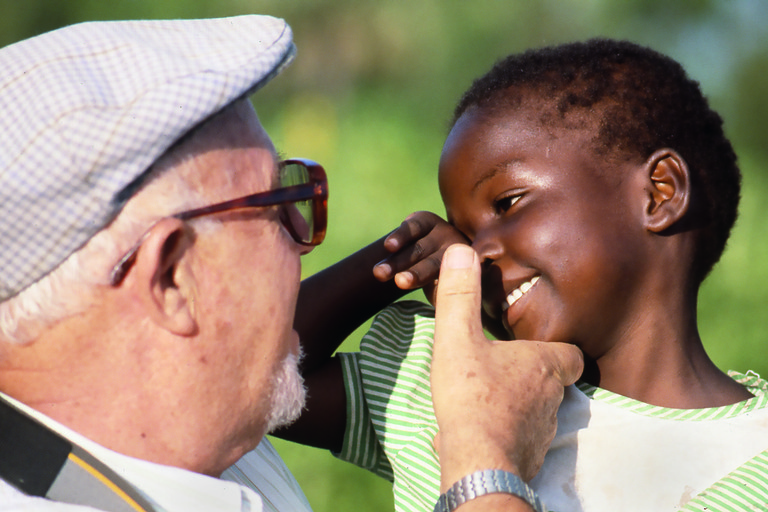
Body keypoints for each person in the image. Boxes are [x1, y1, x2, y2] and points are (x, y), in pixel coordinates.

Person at [0, 15, 582, 512]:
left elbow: (267, 351)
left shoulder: (168, 436)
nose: (305, 243)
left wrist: (389, 264)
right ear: (173, 278)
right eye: (283, 207)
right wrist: (485, 464)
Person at [278, 38, 768, 512]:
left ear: (660, 194)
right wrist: (391, 262)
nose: (478, 253)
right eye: (465, 235)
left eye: (507, 203)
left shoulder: (753, 467)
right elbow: (253, 374)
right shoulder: (450, 382)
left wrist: (483, 451)